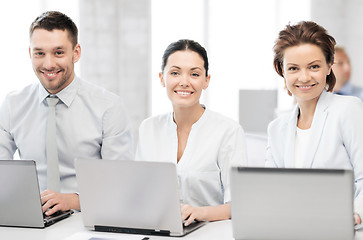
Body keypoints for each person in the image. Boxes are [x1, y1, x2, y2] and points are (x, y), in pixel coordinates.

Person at [0, 11, 134, 215]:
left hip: (89, 219)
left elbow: (121, 185)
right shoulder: (13, 104)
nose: (48, 64)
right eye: (39, 53)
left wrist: (73, 200)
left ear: (76, 52)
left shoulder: (108, 107)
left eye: (59, 52)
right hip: (30, 221)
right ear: (30, 54)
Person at [136, 39, 247, 226]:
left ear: (206, 81)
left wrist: (198, 212)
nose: (184, 82)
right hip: (158, 229)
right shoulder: (148, 128)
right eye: (175, 73)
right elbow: (140, 192)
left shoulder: (228, 131)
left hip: (210, 232)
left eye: (194, 74)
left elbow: (238, 205)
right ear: (162, 78)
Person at [266, 21, 363, 225]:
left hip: (341, 228)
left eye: (314, 66)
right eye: (293, 68)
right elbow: (271, 190)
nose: (304, 77)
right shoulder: (277, 129)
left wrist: (354, 215)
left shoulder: (348, 110)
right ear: (281, 70)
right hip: (292, 227)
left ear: (329, 66)